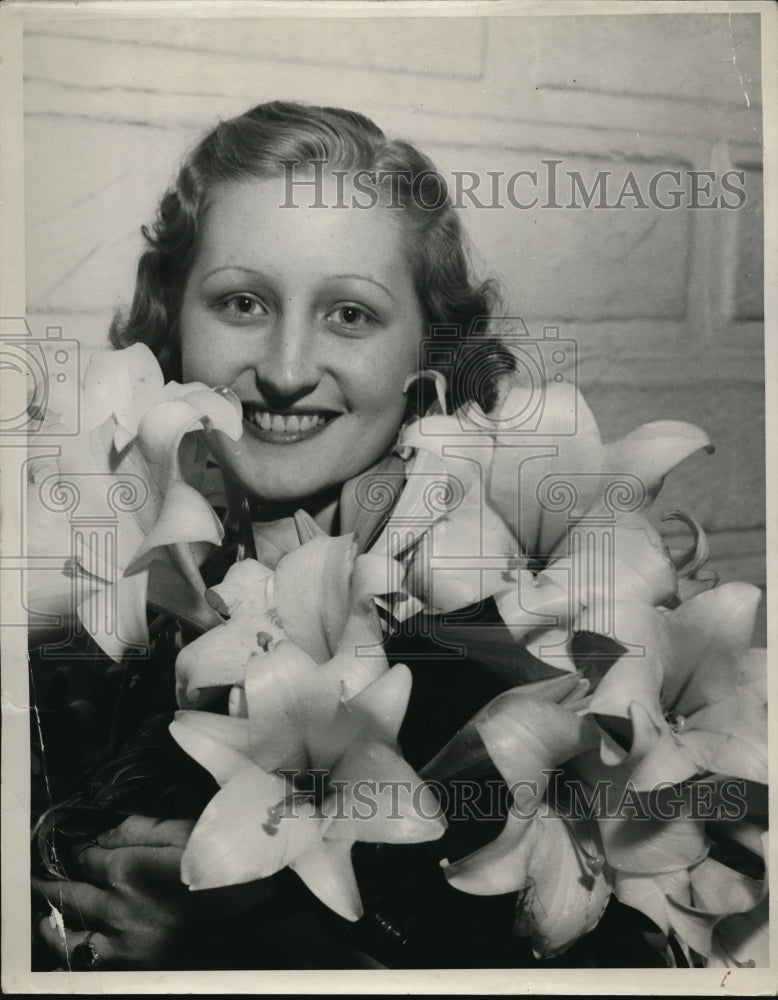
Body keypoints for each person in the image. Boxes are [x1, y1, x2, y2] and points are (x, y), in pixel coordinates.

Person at [31, 100, 524, 971]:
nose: (289, 370)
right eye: (243, 302)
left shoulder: (500, 637)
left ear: (430, 359)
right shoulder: (71, 591)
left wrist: (260, 956)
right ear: (172, 319)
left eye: (351, 315)